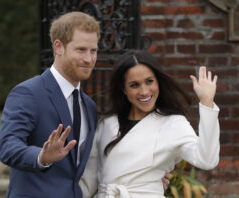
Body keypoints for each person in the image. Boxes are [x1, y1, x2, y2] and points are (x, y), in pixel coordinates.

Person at [79, 50, 220, 198]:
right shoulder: (105, 124)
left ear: (158, 81)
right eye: (134, 85)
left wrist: (206, 102)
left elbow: (207, 160)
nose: (144, 91)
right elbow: (87, 184)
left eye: (149, 81)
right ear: (123, 89)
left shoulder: (173, 123)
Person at [0, 11, 100, 198]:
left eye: (93, 51)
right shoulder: (28, 93)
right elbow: (7, 146)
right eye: (81, 50)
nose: (89, 59)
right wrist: (41, 157)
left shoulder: (89, 106)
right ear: (59, 47)